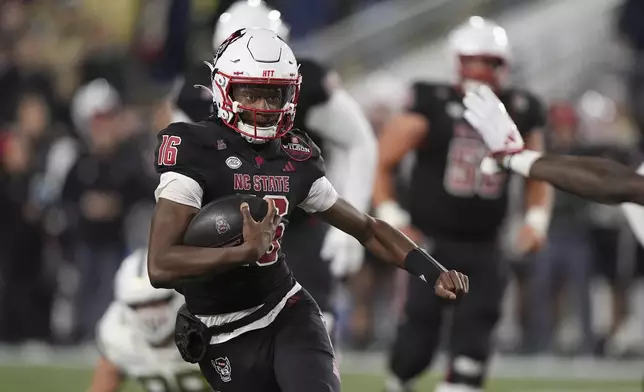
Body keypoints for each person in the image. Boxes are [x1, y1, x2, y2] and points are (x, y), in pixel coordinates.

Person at [148, 27, 468, 392]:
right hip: (221, 329)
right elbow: (160, 265)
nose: (264, 107)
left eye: (275, 95)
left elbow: (366, 227)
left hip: (285, 310)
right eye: (251, 92)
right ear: (224, 88)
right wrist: (243, 252)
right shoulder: (193, 149)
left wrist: (431, 270)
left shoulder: (294, 156)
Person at [170, 0, 377, 336]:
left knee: (313, 327)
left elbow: (359, 141)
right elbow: (177, 165)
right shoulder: (195, 90)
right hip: (226, 227)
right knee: (229, 333)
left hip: (295, 221)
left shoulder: (305, 82)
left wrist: (347, 225)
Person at [376, 17, 552, 392]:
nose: (481, 71)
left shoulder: (520, 108)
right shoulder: (432, 102)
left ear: (504, 65)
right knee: (414, 348)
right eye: (473, 60)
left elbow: (538, 171)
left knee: (473, 351)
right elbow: (384, 161)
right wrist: (393, 217)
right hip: (430, 243)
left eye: (490, 62)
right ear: (455, 61)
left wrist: (536, 220)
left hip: (486, 244)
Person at [462, 83, 644, 247]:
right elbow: (615, 182)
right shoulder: (564, 150)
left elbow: (613, 182)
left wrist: (516, 158)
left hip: (575, 233)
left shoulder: (594, 150)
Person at [88, 249, 209, 392]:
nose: (150, 315)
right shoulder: (117, 333)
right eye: (138, 305)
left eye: (158, 302)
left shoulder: (211, 323)